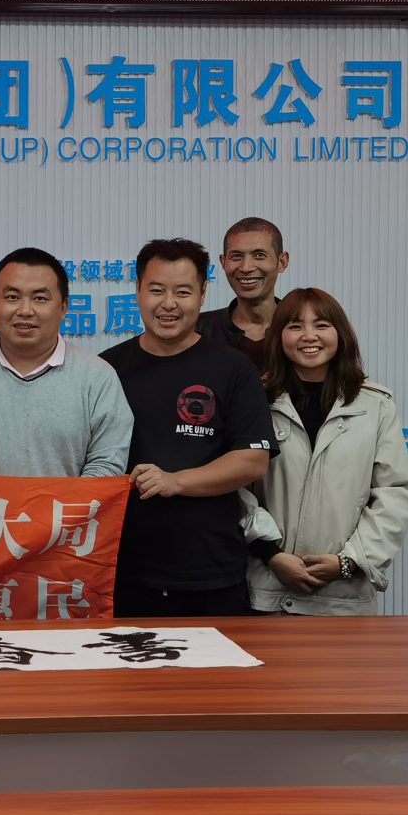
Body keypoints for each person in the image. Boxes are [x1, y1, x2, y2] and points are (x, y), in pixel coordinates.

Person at [100, 237, 275, 617]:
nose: (169, 304)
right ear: (138, 290)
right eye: (156, 290)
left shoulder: (233, 368)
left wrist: (175, 481)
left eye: (182, 292)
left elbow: (252, 461)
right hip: (122, 571)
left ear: (202, 293)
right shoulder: (106, 370)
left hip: (211, 572)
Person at [249, 288, 408, 615]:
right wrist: (272, 554)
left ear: (340, 334)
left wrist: (348, 561)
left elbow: (395, 491)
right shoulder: (256, 401)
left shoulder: (376, 406)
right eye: (295, 326)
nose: (309, 335)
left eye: (322, 325)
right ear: (278, 337)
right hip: (267, 592)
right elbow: (238, 488)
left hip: (344, 599)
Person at [0, 247, 131, 478]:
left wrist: (61, 501)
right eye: (12, 297)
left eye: (40, 298)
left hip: (70, 504)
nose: (25, 310)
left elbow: (107, 463)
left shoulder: (98, 377)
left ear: (63, 307)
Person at [196, 216, 289, 366]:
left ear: (282, 262)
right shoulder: (198, 330)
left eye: (259, 255)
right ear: (223, 262)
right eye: (236, 256)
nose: (246, 267)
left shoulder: (306, 331)